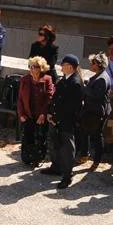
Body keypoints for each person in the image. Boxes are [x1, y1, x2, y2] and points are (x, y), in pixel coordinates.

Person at [46, 55, 85, 189]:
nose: (61, 67)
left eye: (63, 65)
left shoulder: (75, 83)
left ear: (70, 67)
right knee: (55, 144)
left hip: (66, 122)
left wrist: (56, 119)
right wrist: (50, 113)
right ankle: (56, 167)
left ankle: (67, 176)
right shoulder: (65, 80)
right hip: (56, 119)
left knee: (67, 149)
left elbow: (71, 108)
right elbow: (56, 98)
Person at [18, 56, 55, 168]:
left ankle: (38, 158)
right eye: (31, 66)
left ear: (41, 68)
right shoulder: (25, 79)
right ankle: (27, 158)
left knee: (40, 137)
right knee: (27, 136)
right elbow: (20, 98)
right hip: (28, 113)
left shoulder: (47, 79)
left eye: (35, 67)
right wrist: (21, 114)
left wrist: (43, 114)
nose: (32, 69)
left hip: (41, 114)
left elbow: (49, 98)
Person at [80, 54, 111, 167]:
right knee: (86, 132)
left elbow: (96, 95)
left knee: (97, 135)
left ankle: (96, 160)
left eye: (93, 63)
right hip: (93, 110)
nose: (91, 65)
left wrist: (84, 87)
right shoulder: (100, 75)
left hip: (97, 111)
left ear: (99, 64)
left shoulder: (102, 78)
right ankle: (85, 155)